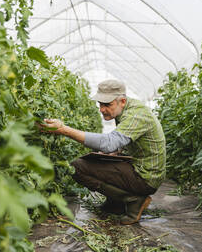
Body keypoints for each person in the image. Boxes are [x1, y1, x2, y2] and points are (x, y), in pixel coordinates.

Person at [40, 79, 166, 225]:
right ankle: (116, 202)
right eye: (100, 104)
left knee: (78, 167)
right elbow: (127, 142)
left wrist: (63, 130)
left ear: (122, 101)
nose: (101, 109)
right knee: (95, 160)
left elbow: (108, 143)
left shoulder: (137, 115)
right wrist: (116, 153)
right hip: (141, 168)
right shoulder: (127, 110)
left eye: (107, 104)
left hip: (146, 177)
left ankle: (133, 200)